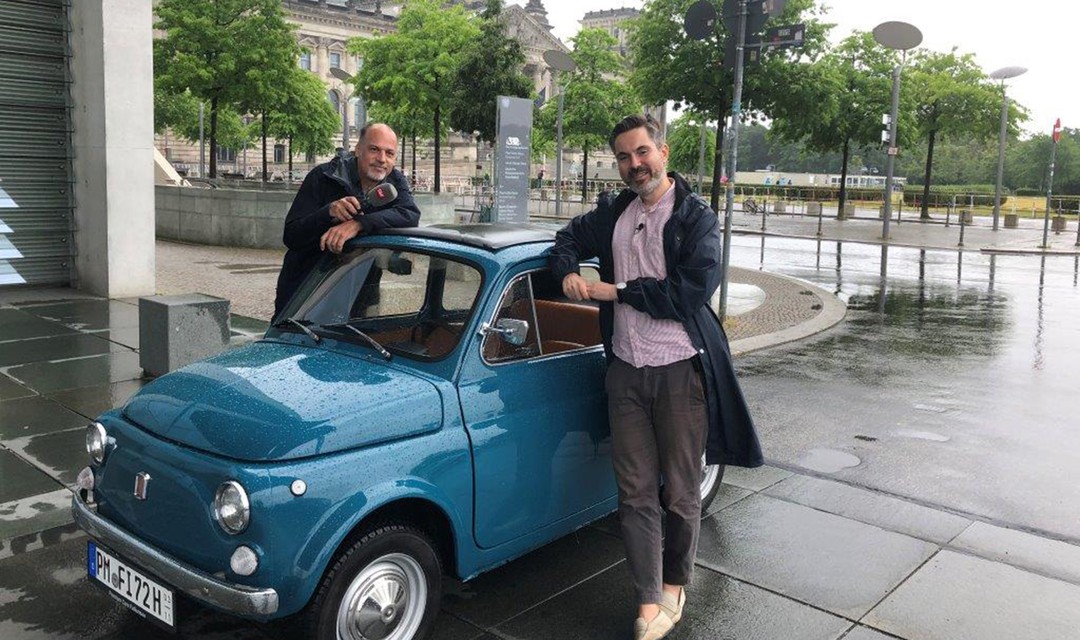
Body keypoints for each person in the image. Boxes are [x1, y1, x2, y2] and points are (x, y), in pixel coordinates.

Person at [548, 114, 762, 640]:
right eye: (623, 156)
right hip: (625, 370)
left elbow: (687, 294)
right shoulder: (614, 211)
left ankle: (675, 585)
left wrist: (612, 290)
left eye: (642, 152)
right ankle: (647, 597)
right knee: (636, 492)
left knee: (681, 492)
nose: (634, 164)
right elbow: (564, 240)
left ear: (663, 152)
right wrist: (570, 269)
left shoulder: (695, 218)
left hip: (678, 371)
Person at [273, 123, 420, 319]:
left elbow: (410, 215)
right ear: (358, 149)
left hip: (359, 296)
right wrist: (328, 213)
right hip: (306, 292)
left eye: (390, 153)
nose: (382, 159)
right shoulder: (323, 176)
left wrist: (359, 223)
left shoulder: (394, 180)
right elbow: (291, 236)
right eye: (374, 149)